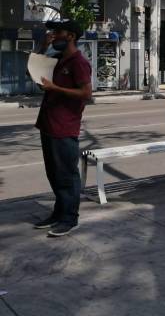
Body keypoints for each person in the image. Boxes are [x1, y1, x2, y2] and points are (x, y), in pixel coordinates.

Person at [33, 20, 92, 237]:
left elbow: (86, 93)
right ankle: (58, 213)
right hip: (48, 123)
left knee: (67, 175)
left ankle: (69, 218)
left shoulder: (78, 63)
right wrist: (41, 47)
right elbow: (37, 75)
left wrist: (55, 88)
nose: (54, 35)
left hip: (65, 126)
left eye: (58, 32)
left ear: (71, 36)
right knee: (54, 174)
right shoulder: (57, 58)